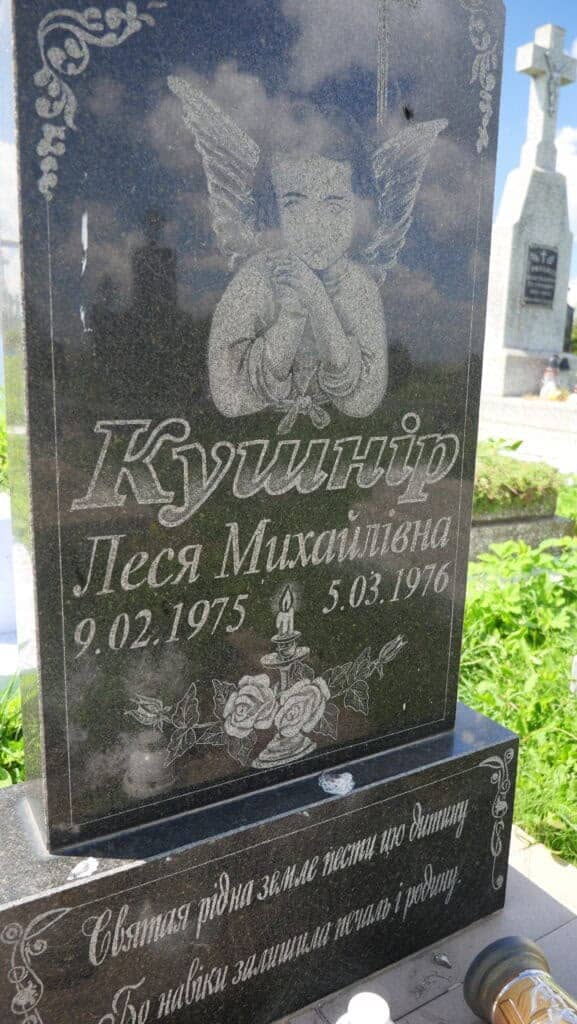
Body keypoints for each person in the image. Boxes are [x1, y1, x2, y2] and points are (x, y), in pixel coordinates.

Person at [208, 127, 388, 432]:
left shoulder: (359, 287)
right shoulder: (255, 278)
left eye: (334, 205)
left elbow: (362, 402)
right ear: (273, 210)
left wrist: (317, 300)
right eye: (294, 204)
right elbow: (230, 396)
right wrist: (292, 313)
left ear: (360, 210)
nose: (314, 225)